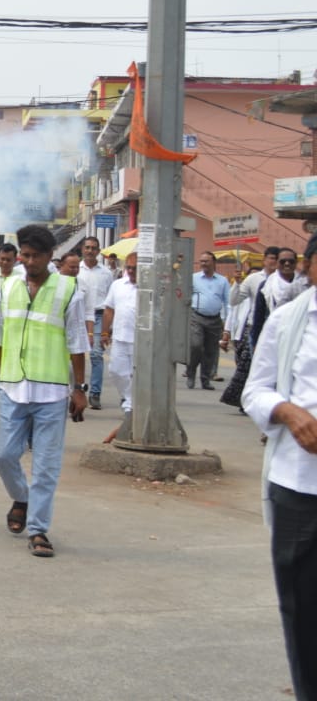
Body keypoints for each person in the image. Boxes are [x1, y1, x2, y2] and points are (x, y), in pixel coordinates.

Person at [0, 223, 88, 559]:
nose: (28, 261)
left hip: (53, 392)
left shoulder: (69, 290)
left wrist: (80, 388)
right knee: (4, 455)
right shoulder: (7, 287)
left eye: (34, 256)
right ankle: (22, 498)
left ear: (49, 256)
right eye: (24, 255)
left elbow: (77, 343)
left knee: (46, 465)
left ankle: (39, 529)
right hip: (13, 386)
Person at [241, 233, 317, 701]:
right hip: (297, 484)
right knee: (303, 609)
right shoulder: (289, 320)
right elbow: (255, 390)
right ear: (312, 265)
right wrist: (289, 412)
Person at [183, 250, 232, 391]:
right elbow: (185, 296)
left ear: (213, 262)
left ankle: (205, 379)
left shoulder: (222, 281)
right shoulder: (194, 278)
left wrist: (226, 323)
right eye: (201, 261)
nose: (203, 264)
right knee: (196, 345)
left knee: (211, 351)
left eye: (206, 261)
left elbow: (227, 301)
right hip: (196, 317)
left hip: (215, 319)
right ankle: (191, 372)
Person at [77, 237, 116, 411]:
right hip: (78, 316)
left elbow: (111, 302)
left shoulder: (106, 273)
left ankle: (95, 393)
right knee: (75, 355)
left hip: (99, 317)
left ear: (98, 251)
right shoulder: (75, 270)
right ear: (82, 249)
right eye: (87, 247)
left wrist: (110, 328)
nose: (90, 251)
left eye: (94, 248)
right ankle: (75, 391)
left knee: (96, 354)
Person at [100, 251, 139, 414]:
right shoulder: (118, 285)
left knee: (137, 374)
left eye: (134, 268)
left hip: (141, 340)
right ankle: (129, 398)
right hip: (120, 337)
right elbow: (109, 310)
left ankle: (130, 404)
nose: (130, 271)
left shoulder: (151, 287)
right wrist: (104, 333)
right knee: (116, 371)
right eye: (128, 268)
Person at [222, 259, 261, 410]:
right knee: (241, 368)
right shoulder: (243, 295)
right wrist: (227, 332)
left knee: (251, 369)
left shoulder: (262, 295)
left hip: (253, 334)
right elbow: (232, 310)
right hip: (240, 335)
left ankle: (247, 401)